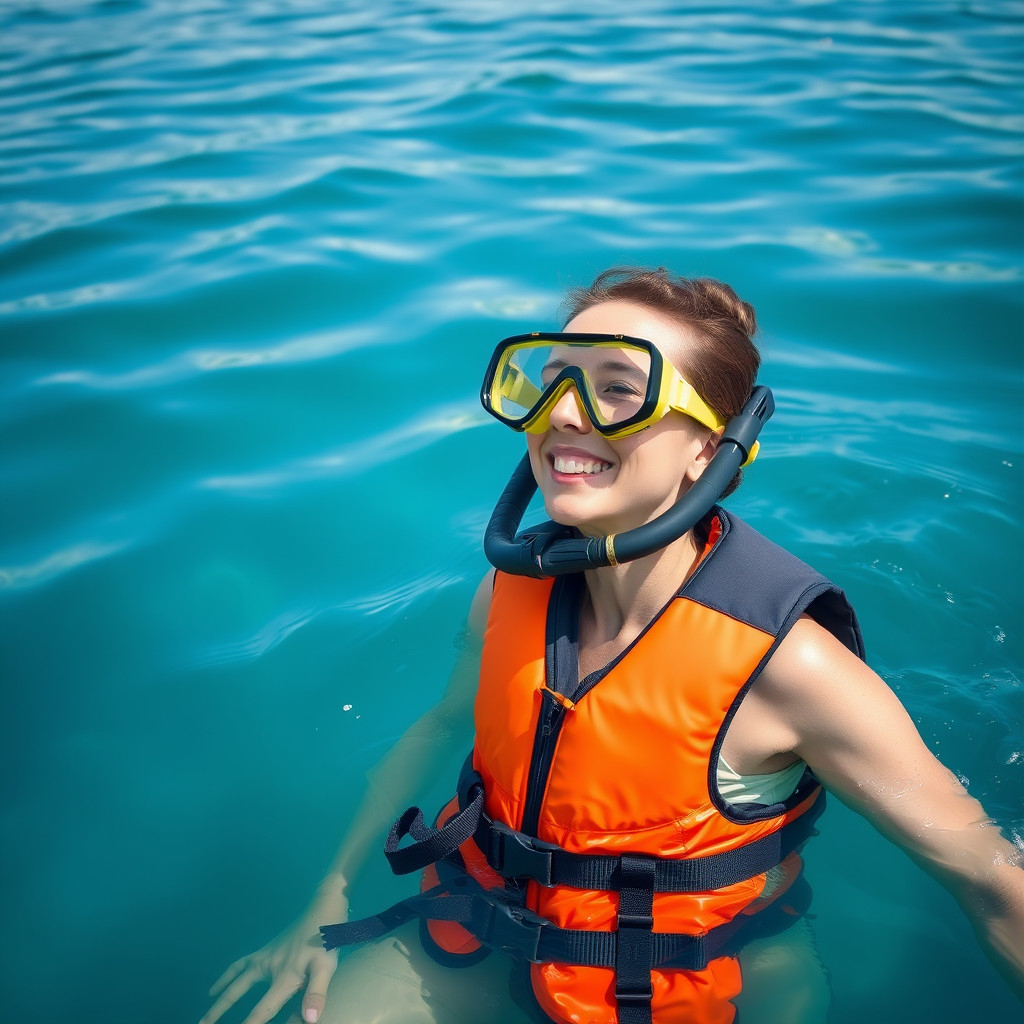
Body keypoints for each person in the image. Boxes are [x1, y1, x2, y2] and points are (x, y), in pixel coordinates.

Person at [201, 269, 1024, 1024]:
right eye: (552, 380)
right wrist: (327, 894)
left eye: (617, 390)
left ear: (709, 446)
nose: (562, 412)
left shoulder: (790, 668)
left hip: (694, 978)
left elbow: (987, 875)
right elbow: (441, 724)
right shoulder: (508, 590)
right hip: (474, 933)